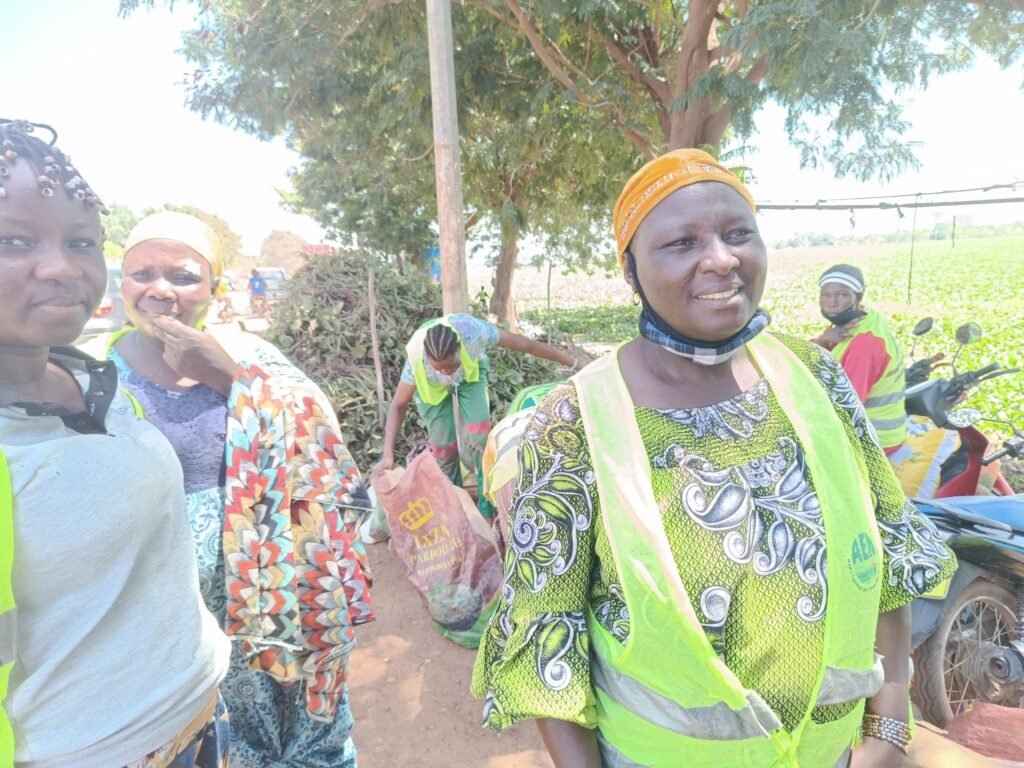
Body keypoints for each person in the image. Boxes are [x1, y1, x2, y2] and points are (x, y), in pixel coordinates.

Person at [471, 149, 957, 768]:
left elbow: (885, 552)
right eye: (681, 242)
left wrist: (887, 733)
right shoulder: (574, 422)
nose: (722, 258)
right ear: (631, 270)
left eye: (737, 234)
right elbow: (545, 635)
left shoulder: (815, 378)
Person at [97, 211, 374, 768]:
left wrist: (227, 377)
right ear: (121, 284)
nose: (160, 290)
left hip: (272, 585)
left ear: (215, 287)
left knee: (291, 712)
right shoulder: (98, 374)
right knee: (204, 728)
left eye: (182, 275)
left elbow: (326, 450)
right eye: (141, 273)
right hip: (169, 599)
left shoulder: (251, 358)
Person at [0, 118, 230, 767]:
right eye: (15, 240)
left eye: (80, 241)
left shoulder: (96, 385)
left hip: (199, 717)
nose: (61, 267)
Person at [377, 314, 579, 513]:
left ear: (460, 348)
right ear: (428, 359)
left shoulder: (473, 333)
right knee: (444, 450)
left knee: (481, 439)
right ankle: (455, 508)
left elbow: (526, 345)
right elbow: (398, 405)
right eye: (440, 369)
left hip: (470, 376)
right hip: (431, 389)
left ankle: (487, 508)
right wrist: (387, 455)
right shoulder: (416, 360)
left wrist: (573, 363)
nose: (447, 373)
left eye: (450, 366)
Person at [813, 265, 909, 459]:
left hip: (873, 438)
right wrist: (823, 341)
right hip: (873, 428)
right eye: (826, 295)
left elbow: (846, 408)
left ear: (858, 297)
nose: (832, 303)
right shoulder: (860, 319)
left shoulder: (863, 346)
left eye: (842, 295)